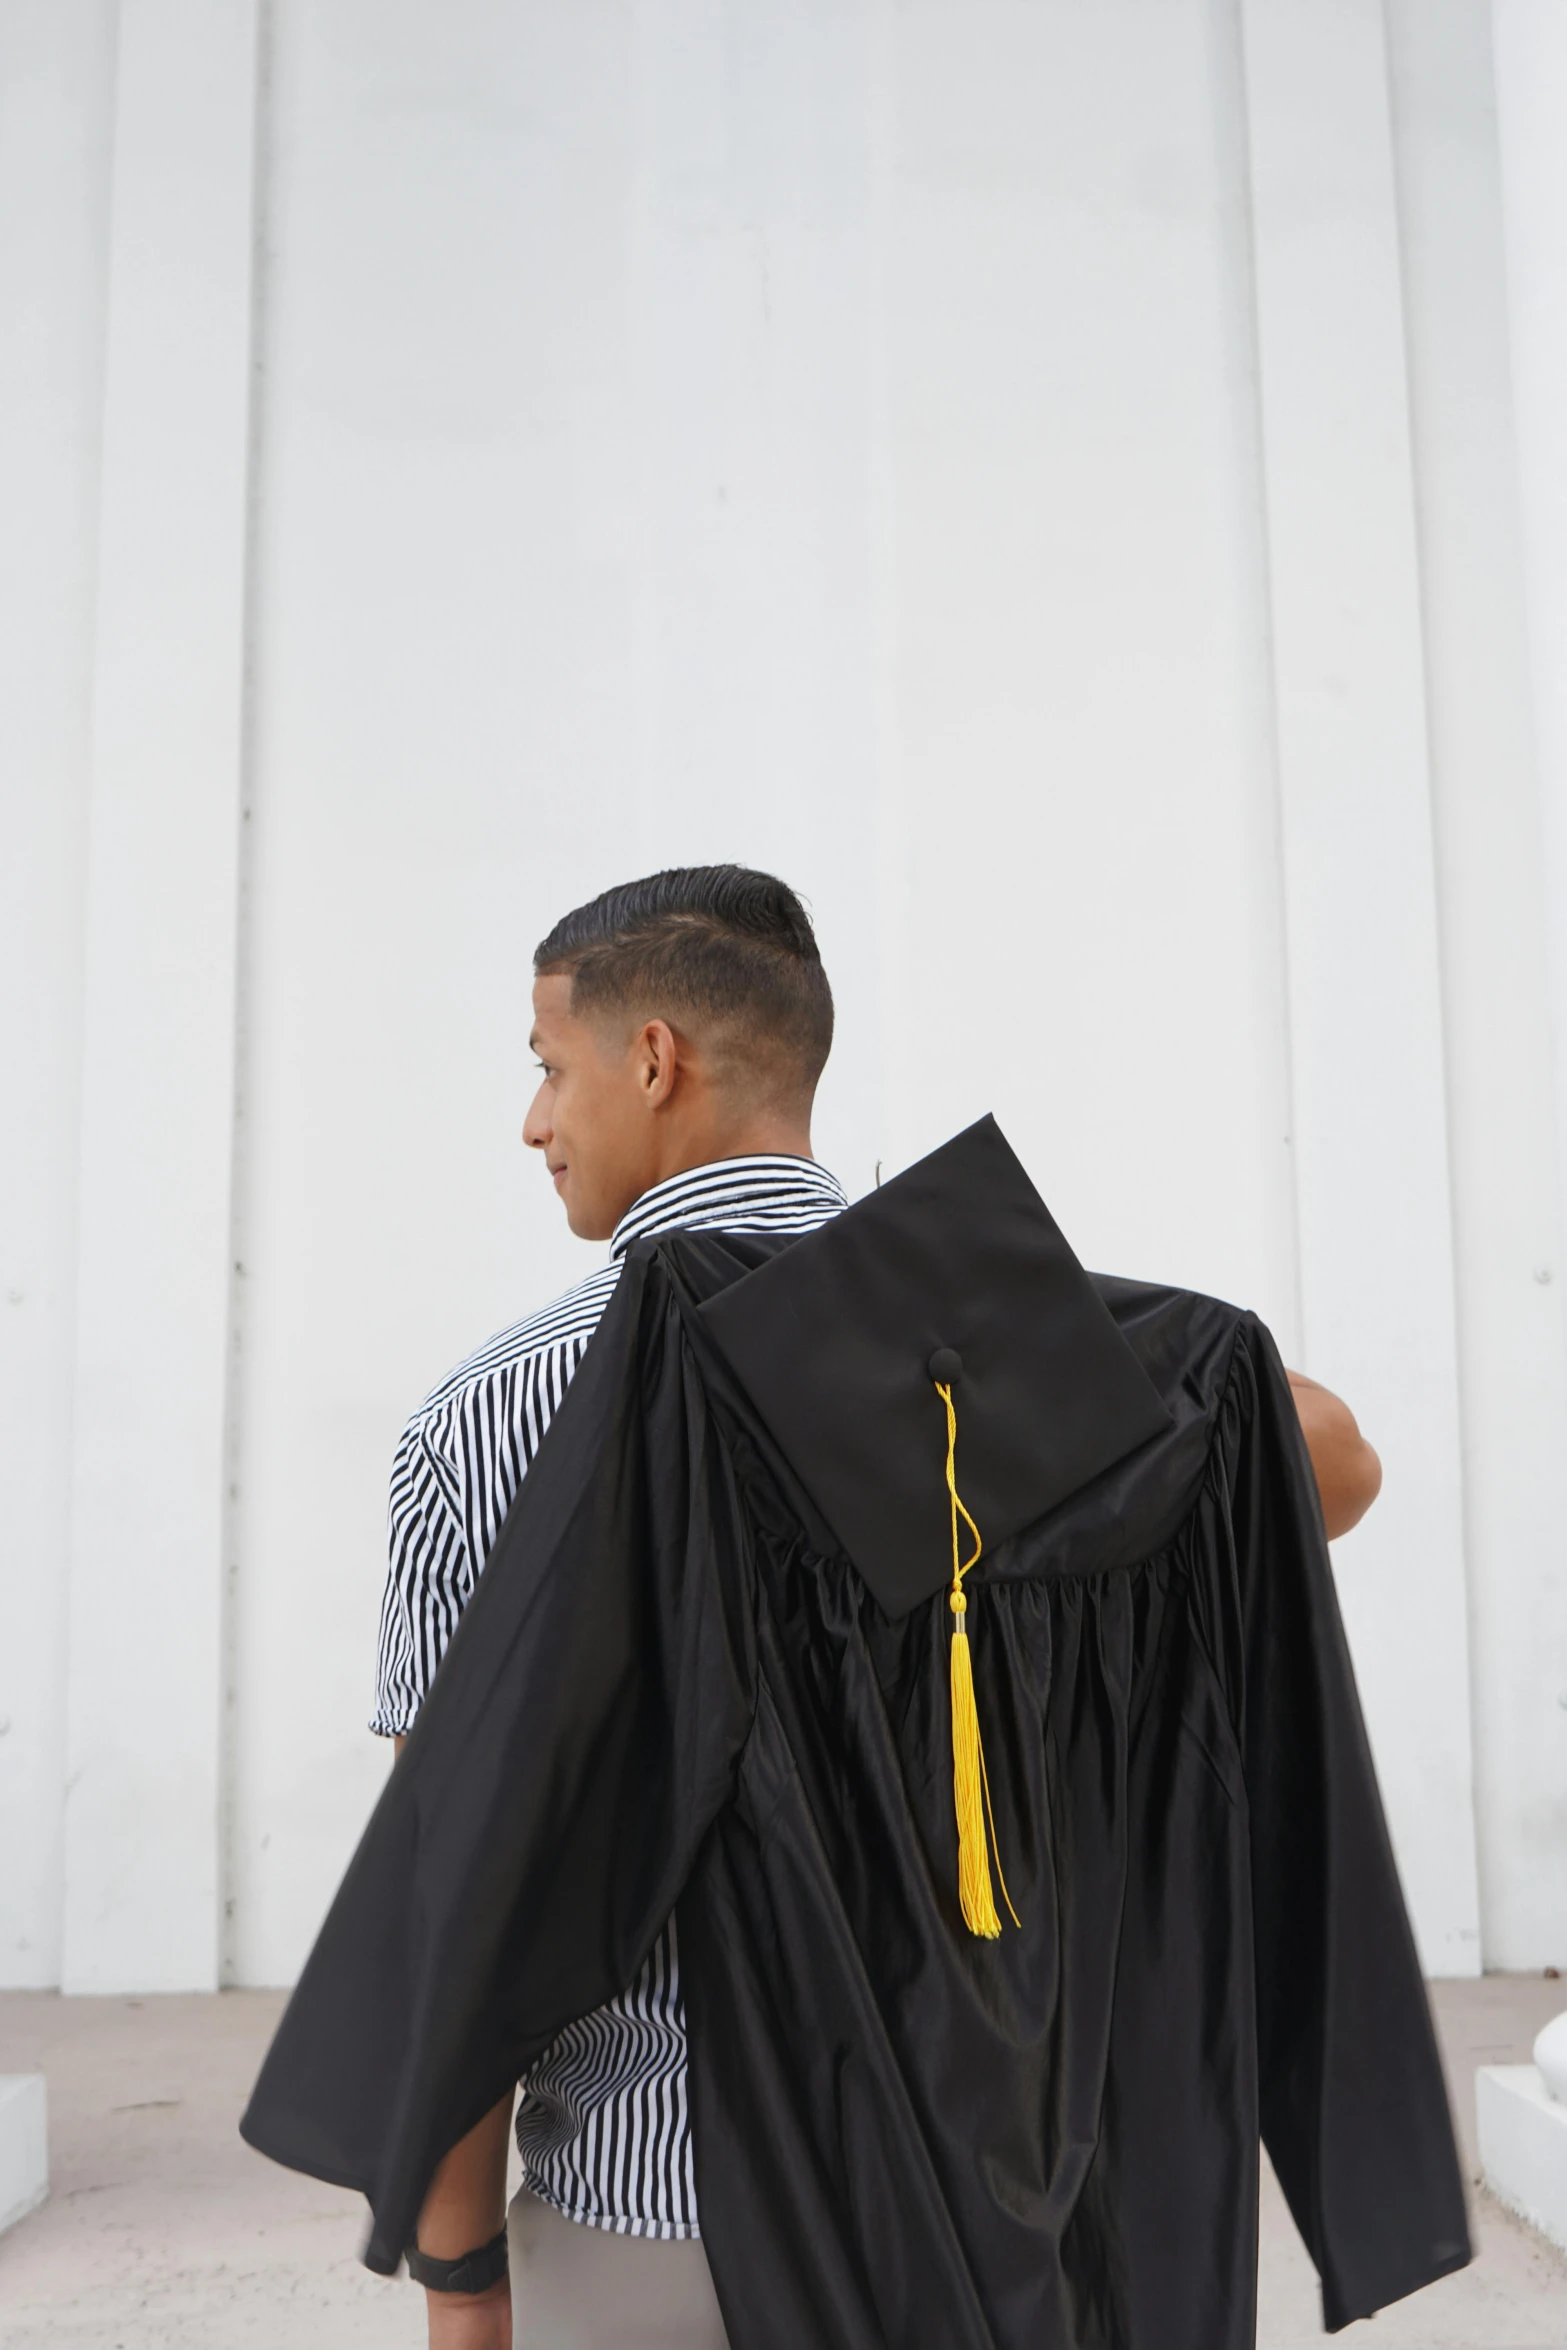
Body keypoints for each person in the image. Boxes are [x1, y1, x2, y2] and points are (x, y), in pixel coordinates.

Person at [244, 865, 1446, 2350]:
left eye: (549, 1069)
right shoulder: (985, 1369)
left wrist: (461, 2284)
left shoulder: (489, 1420)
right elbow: (1335, 1462)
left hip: (657, 2224)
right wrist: (1066, 1357)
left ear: (654, 1057)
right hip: (1010, 2205)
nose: (534, 1121)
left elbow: (463, 1897)